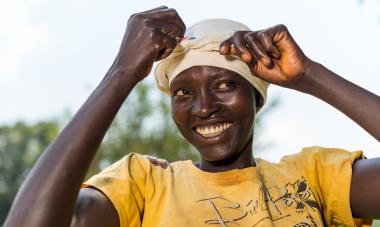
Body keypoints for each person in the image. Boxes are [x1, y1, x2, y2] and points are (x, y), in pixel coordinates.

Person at [3, 6, 380, 227]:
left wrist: (309, 76)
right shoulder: (143, 185)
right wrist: (121, 73)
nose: (203, 108)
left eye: (223, 86)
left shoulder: (313, 176)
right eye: (184, 92)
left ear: (256, 97)